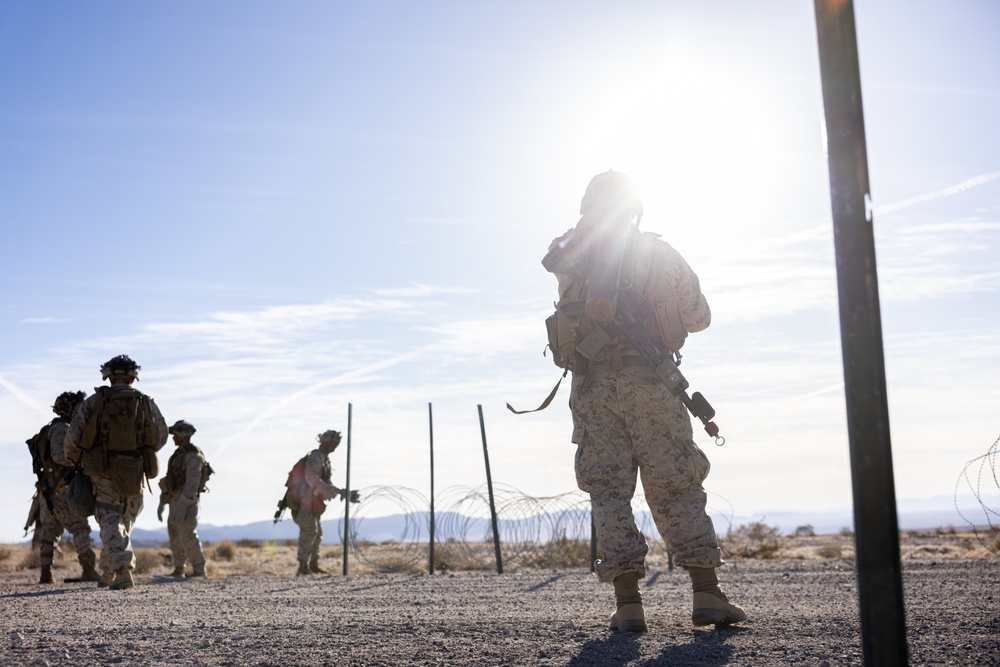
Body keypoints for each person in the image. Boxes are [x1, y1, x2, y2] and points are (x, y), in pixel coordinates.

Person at [542, 171, 746, 632]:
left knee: (609, 491)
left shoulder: (572, 258)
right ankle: (707, 595)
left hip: (593, 388)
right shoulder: (658, 253)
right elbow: (698, 317)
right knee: (675, 483)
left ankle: (629, 605)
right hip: (650, 380)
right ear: (634, 206)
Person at [62, 354, 168, 590]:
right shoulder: (146, 402)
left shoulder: (94, 402)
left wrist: (79, 463)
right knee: (124, 521)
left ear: (108, 375)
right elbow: (161, 437)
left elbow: (71, 441)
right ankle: (109, 571)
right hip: (135, 469)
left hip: (101, 470)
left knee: (110, 519)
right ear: (134, 376)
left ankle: (120, 570)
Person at [27, 390, 100, 584]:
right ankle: (88, 570)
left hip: (51, 490)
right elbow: (60, 456)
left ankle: (46, 574)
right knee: (79, 527)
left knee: (49, 532)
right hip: (61, 489)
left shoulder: (54, 428)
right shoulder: (61, 429)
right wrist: (82, 459)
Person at [285, 430, 359, 575]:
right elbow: (310, 476)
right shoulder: (316, 457)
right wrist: (325, 489)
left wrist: (341, 492)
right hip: (305, 501)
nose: (335, 446)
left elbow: (326, 482)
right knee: (309, 531)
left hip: (314, 502)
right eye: (333, 443)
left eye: (337, 443)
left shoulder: (325, 460)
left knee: (318, 534)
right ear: (325, 442)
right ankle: (302, 567)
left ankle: (313, 564)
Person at [157, 420, 210, 578]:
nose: (173, 437)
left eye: (175, 434)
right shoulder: (178, 455)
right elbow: (170, 480)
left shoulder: (193, 456)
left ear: (184, 435)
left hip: (187, 500)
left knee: (187, 533)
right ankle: (179, 568)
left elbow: (192, 484)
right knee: (174, 534)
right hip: (175, 498)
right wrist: (163, 501)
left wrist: (183, 503)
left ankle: (199, 569)